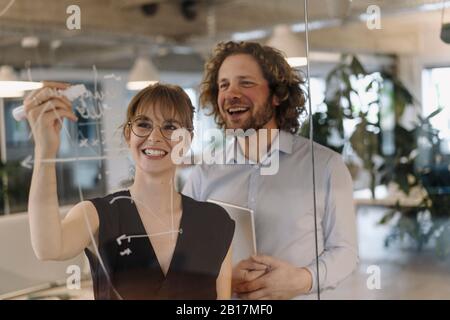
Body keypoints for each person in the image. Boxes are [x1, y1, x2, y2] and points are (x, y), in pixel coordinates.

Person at [25, 82, 234, 300]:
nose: (154, 137)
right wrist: (45, 149)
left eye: (170, 127)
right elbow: (48, 247)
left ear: (187, 140)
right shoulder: (97, 215)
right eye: (144, 124)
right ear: (128, 134)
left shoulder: (215, 222)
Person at [182, 41, 358, 299]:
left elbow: (346, 252)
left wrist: (301, 279)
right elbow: (185, 249)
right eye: (224, 85)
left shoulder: (324, 166)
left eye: (246, 83)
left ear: (277, 94)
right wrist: (223, 278)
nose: (231, 93)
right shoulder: (204, 173)